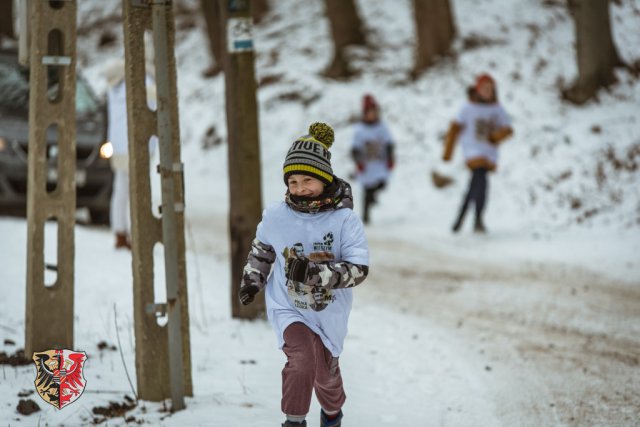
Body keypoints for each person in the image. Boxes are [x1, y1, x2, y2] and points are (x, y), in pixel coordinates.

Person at [238, 122, 369, 427]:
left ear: (324, 179)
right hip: (288, 307)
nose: (299, 189)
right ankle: (293, 422)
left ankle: (332, 414)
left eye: (307, 180)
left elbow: (358, 270)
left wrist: (314, 274)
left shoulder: (345, 220)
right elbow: (263, 250)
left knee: (326, 378)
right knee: (301, 361)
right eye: (293, 181)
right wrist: (252, 280)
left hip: (327, 314)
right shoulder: (277, 216)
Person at [442, 73, 514, 233]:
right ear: (477, 89)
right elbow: (454, 129)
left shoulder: (497, 109)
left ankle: (467, 219)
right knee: (479, 180)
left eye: (490, 89)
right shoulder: (467, 108)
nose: (487, 92)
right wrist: (448, 152)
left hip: (489, 152)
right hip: (472, 150)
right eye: (484, 88)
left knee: (479, 185)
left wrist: (496, 136)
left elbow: (508, 129)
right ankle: (471, 219)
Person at [103, 59, 156, 249]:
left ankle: (119, 232)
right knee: (138, 192)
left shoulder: (113, 87)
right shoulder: (140, 83)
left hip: (117, 146)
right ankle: (137, 235)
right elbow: (159, 98)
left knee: (120, 191)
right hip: (137, 146)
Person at [351, 94, 395, 224]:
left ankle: (373, 198)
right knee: (366, 190)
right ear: (365, 114)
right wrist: (359, 162)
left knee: (382, 183)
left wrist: (390, 159)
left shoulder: (382, 127)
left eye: (375, 112)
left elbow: (389, 144)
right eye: (370, 113)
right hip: (366, 165)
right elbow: (355, 148)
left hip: (379, 163)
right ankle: (366, 216)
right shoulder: (360, 130)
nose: (373, 115)